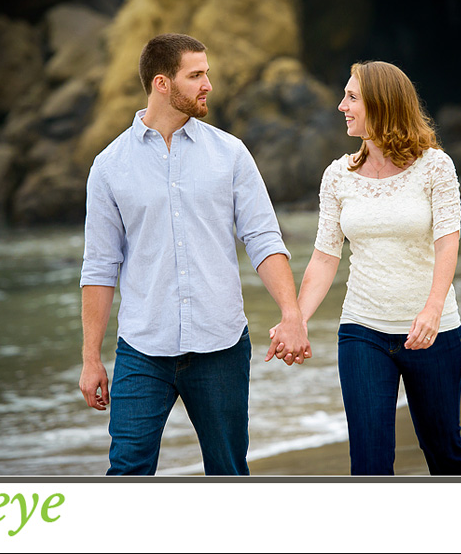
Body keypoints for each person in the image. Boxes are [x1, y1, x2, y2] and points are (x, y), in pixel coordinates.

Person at [78, 33, 310, 476]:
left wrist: (291, 312)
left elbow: (263, 238)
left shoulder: (230, 153)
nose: (208, 85)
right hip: (143, 349)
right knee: (126, 471)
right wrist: (91, 359)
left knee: (228, 472)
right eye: (196, 75)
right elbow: (100, 267)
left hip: (220, 344)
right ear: (162, 83)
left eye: (207, 74)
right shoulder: (109, 167)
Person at [271, 60, 461, 475]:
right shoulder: (337, 176)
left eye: (351, 97)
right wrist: (296, 318)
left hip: (432, 333)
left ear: (381, 104)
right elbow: (326, 256)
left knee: (444, 451)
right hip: (362, 331)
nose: (340, 105)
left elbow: (447, 239)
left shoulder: (435, 166)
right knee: (369, 462)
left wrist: (433, 309)